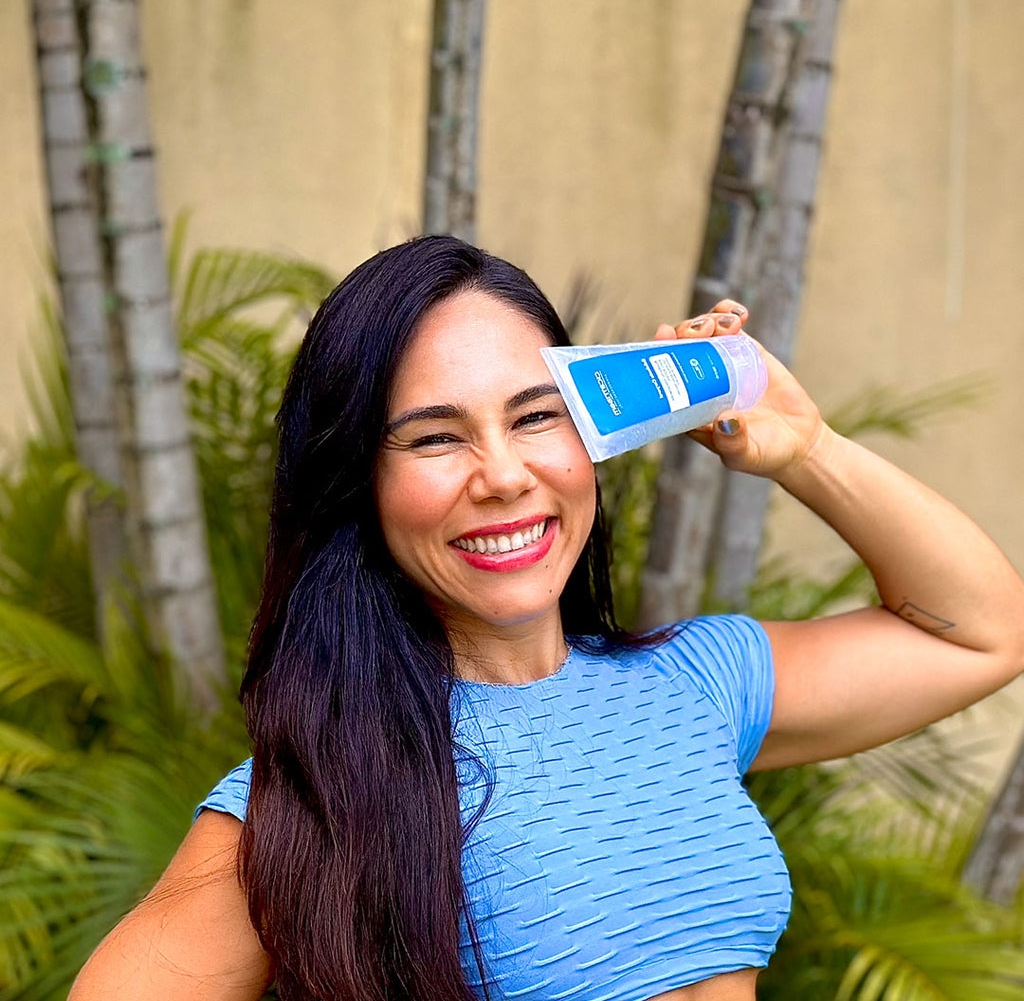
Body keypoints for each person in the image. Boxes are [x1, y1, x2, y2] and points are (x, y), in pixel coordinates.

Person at [69, 236, 1024, 1001]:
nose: (504, 475)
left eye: (535, 418)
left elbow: (982, 632)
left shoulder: (694, 686)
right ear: (359, 484)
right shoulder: (325, 787)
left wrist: (806, 450)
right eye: (435, 437)